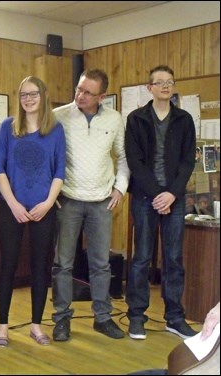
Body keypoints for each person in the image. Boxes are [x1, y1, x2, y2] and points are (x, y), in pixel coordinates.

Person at [51, 68, 130, 341]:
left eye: (88, 92)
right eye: (79, 89)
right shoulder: (58, 116)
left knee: (101, 264)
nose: (80, 96)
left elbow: (123, 156)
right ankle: (61, 320)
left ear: (102, 96)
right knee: (62, 264)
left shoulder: (115, 119)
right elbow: (47, 156)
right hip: (68, 200)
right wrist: (52, 195)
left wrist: (120, 188)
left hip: (101, 202)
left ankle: (103, 318)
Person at [125, 65, 197, 340]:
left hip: (174, 199)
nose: (165, 86)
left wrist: (172, 194)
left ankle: (175, 317)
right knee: (142, 258)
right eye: (159, 82)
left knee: (174, 259)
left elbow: (188, 160)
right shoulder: (136, 119)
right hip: (145, 197)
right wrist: (157, 194)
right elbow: (135, 161)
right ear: (149, 88)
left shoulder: (184, 120)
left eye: (169, 82)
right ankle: (136, 316)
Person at [0, 76, 66, 347]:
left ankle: (36, 325)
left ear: (43, 96)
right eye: (23, 94)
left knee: (40, 268)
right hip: (12, 207)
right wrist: (12, 203)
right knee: (8, 266)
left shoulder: (55, 130)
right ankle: (2, 327)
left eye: (33, 94)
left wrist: (47, 203)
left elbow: (60, 171)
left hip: (43, 209)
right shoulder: (7, 128)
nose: (28, 99)